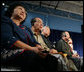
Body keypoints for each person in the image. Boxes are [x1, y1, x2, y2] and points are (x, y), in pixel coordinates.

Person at [1, 2, 49, 72]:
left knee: (50, 58)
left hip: (29, 51)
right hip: (7, 52)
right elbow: (9, 39)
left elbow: (34, 42)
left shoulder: (26, 28)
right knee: (31, 55)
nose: (23, 12)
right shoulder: (5, 21)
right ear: (12, 11)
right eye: (20, 9)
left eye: (25, 12)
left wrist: (40, 48)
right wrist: (32, 49)